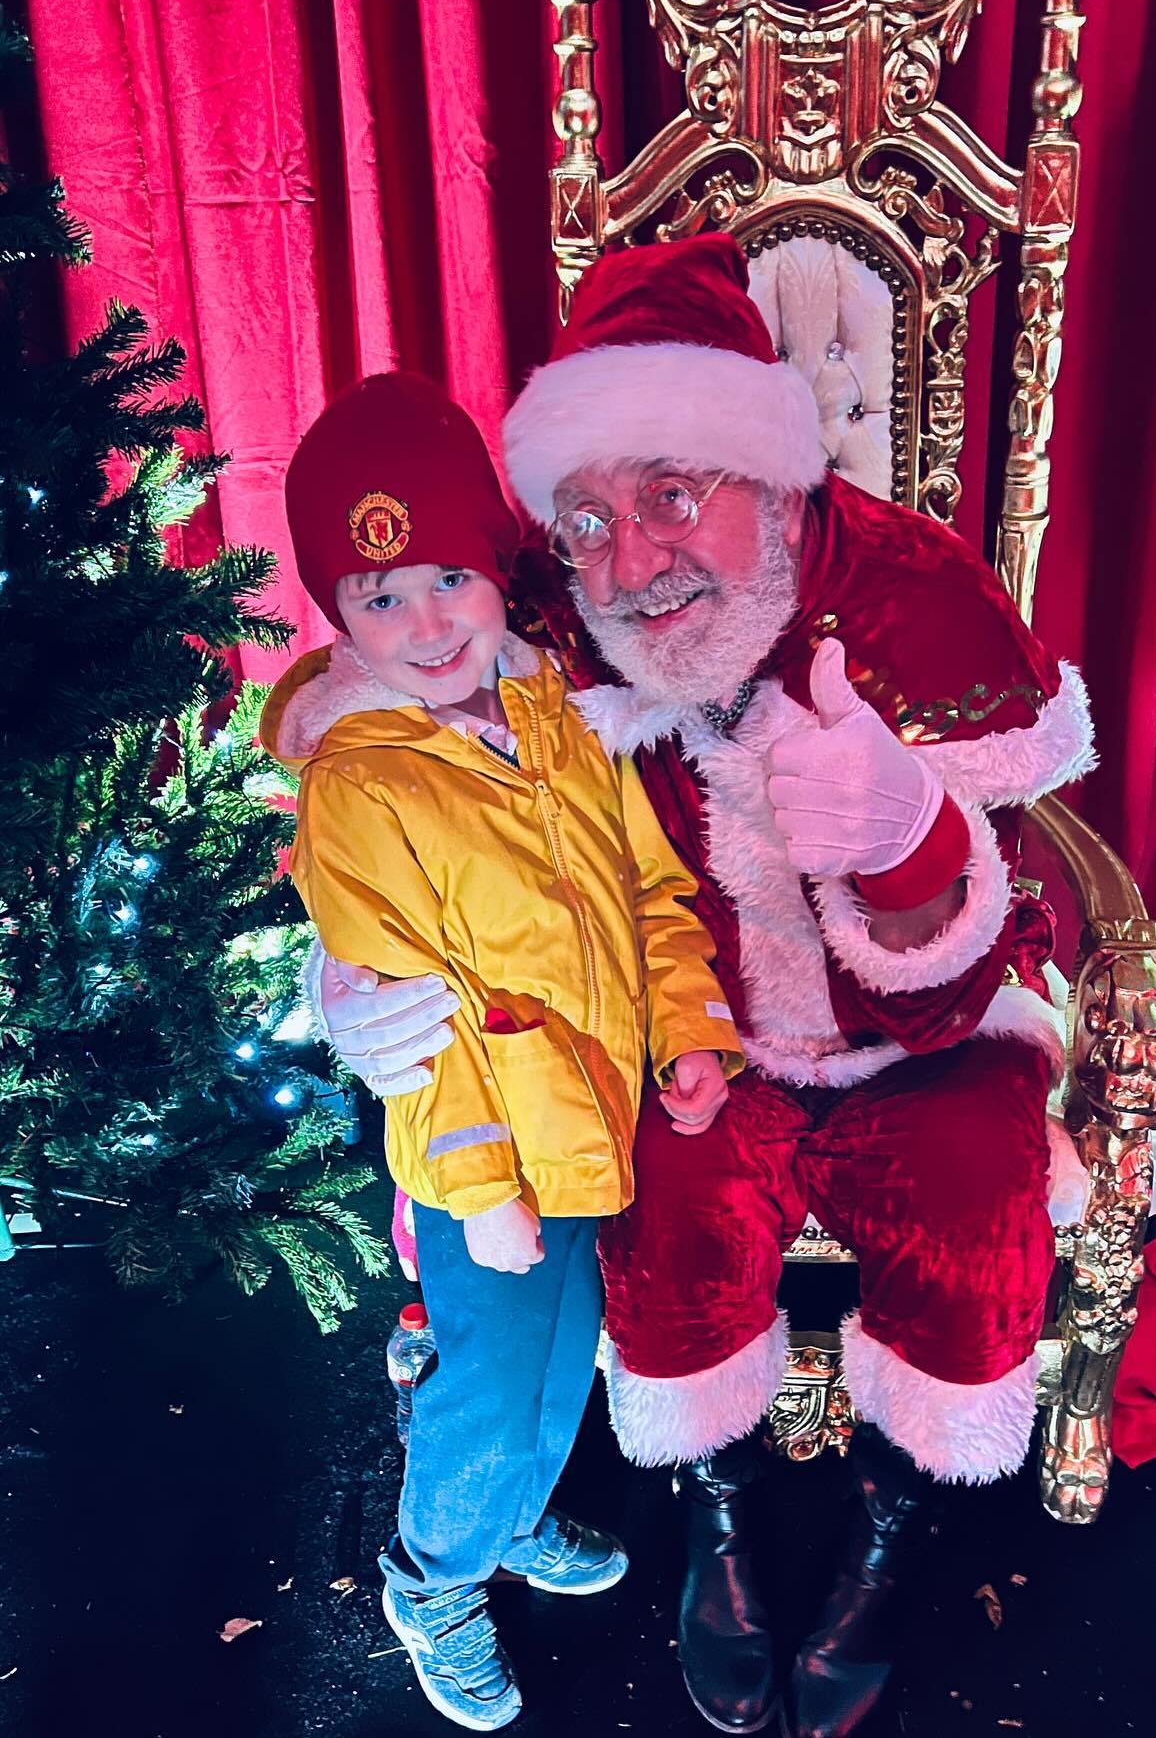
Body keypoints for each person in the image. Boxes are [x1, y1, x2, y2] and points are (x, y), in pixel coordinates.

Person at [312, 236, 1107, 1738]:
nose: (631, 563)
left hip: (918, 1045)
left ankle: (891, 1531)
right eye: (589, 517)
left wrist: (909, 845)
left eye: (675, 496)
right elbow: (385, 686)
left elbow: (975, 969)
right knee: (666, 1192)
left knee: (981, 1182)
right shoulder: (546, 606)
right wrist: (354, 945)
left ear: (771, 472)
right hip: (694, 1037)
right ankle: (721, 1508)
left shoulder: (918, 602)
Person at [262, 371, 742, 1732]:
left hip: (595, 1126)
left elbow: (653, 897)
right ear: (337, 617)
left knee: (554, 1356)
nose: (424, 625)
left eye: (446, 581)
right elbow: (408, 1022)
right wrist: (486, 1191)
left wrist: (690, 1036)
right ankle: (435, 1574)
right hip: (489, 1165)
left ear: (495, 572)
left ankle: (507, 1504)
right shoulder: (358, 784)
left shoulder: (554, 717)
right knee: (500, 1375)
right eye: (379, 599)